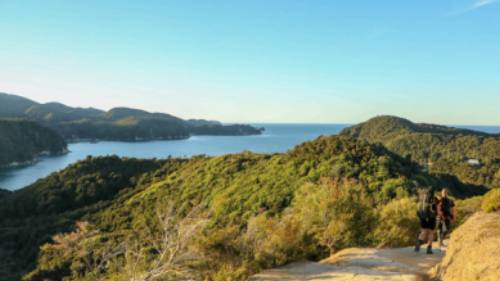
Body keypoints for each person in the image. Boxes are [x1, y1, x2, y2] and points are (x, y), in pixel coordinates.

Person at [415, 189, 437, 254]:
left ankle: (418, 242)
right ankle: (429, 249)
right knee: (431, 233)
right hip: (431, 218)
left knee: (423, 231)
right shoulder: (434, 199)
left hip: (423, 217)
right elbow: (438, 209)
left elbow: (418, 209)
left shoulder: (422, 199)